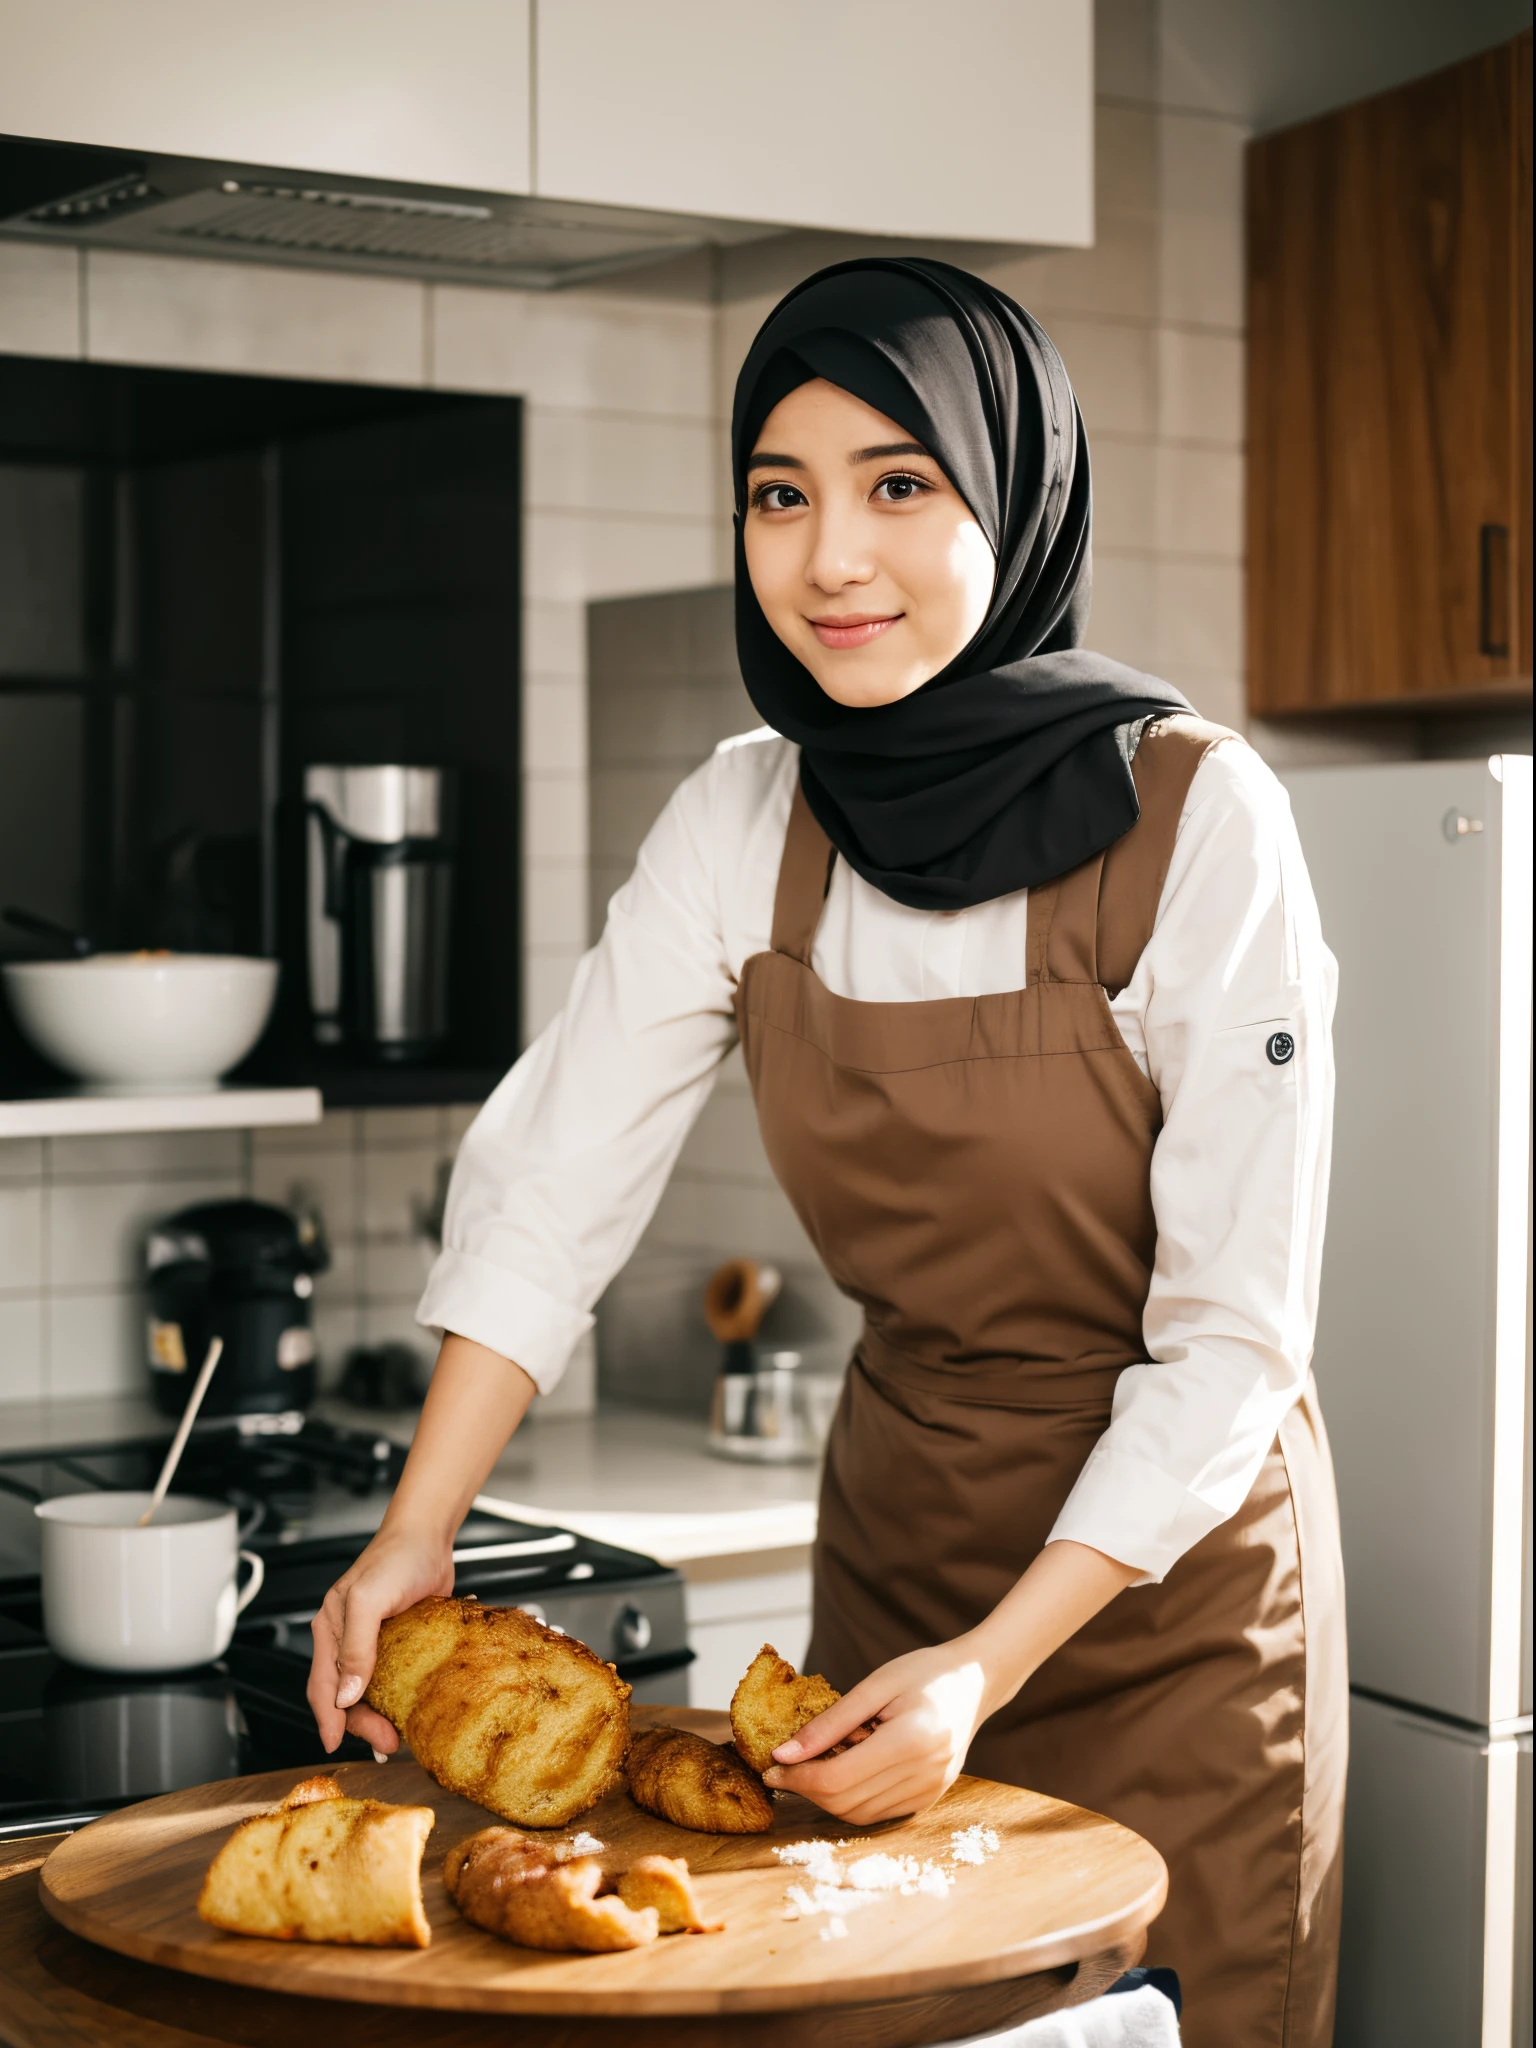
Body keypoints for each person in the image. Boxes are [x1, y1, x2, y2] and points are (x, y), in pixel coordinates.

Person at [307, 259, 1346, 2048]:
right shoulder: (744, 814)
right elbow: (560, 1177)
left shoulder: (1195, 814)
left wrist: (996, 1669)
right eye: (780, 495)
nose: (831, 558)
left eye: (900, 485)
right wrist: (418, 1527)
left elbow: (1236, 1336)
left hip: (1163, 1608)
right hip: (892, 1566)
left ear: (1011, 504)